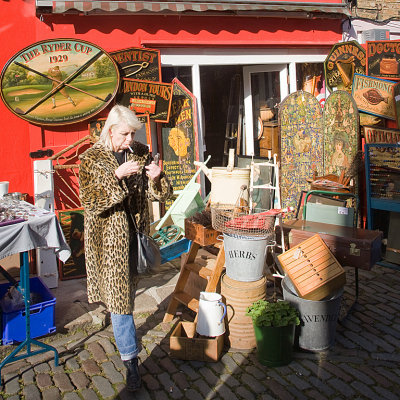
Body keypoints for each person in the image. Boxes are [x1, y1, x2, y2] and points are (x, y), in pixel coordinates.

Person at [79, 105, 173, 391]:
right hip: (109, 243)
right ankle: (131, 362)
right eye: (125, 133)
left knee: (128, 295)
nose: (130, 139)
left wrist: (157, 176)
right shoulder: (91, 158)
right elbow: (91, 201)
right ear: (110, 130)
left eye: (133, 133)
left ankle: (127, 345)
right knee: (121, 303)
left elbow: (162, 195)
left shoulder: (141, 151)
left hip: (136, 237)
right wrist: (116, 176)